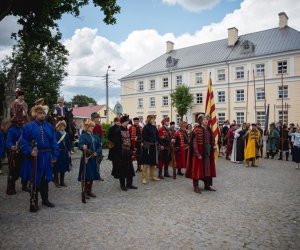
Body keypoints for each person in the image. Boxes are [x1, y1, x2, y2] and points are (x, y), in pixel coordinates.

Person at [20, 105, 59, 212]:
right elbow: (23, 143)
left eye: (43, 113)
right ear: (35, 114)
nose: (42, 115)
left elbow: (54, 142)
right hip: (35, 157)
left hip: (47, 156)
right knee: (35, 180)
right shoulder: (28, 126)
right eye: (40, 113)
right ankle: (34, 201)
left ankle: (45, 200)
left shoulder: (49, 126)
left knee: (45, 179)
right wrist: (30, 151)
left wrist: (55, 155)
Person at [186, 115, 217, 193]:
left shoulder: (209, 129)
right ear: (200, 121)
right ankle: (195, 186)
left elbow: (211, 140)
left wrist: (213, 145)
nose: (206, 121)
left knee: (207, 169)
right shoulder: (197, 130)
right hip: (199, 154)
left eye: (206, 120)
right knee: (197, 169)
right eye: (204, 120)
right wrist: (197, 153)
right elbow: (194, 143)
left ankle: (207, 185)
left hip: (207, 154)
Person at [112, 115, 137, 191]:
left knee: (130, 168)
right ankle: (122, 185)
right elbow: (116, 143)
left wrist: (132, 149)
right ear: (123, 122)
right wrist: (119, 154)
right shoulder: (118, 130)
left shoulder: (127, 130)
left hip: (128, 152)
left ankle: (129, 184)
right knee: (122, 169)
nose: (127, 123)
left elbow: (130, 140)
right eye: (126, 122)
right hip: (122, 152)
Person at [6, 112, 29, 194]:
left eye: (22, 120)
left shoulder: (25, 129)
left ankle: (24, 185)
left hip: (25, 152)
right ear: (16, 122)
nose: (21, 122)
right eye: (19, 120)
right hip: (16, 153)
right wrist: (12, 147)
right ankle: (11, 187)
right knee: (14, 171)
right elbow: (8, 142)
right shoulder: (11, 130)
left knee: (25, 169)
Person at [78, 119, 101, 203]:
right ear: (87, 127)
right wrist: (82, 147)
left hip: (93, 158)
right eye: (91, 126)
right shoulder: (83, 136)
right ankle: (84, 192)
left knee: (92, 175)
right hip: (86, 158)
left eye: (93, 126)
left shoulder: (95, 136)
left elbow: (99, 146)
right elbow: (80, 145)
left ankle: (89, 191)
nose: (92, 127)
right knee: (86, 175)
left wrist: (97, 152)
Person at [141, 115, 160, 184]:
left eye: (154, 119)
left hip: (153, 146)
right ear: (149, 119)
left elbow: (157, 136)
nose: (153, 120)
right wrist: (152, 139)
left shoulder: (154, 127)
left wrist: (158, 141)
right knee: (146, 162)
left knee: (153, 162)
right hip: (147, 146)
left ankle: (152, 176)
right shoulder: (145, 127)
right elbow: (144, 136)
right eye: (152, 119)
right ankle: (144, 178)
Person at [53, 120, 71, 188]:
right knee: (56, 168)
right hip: (58, 152)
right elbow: (54, 143)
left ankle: (62, 182)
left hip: (64, 152)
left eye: (63, 125)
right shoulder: (55, 134)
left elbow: (68, 144)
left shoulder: (66, 134)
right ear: (58, 126)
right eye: (61, 126)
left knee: (63, 167)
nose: (62, 127)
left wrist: (69, 152)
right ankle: (56, 182)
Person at [91, 112, 104, 181]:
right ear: (92, 118)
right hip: (92, 146)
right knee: (91, 161)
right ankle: (91, 175)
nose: (97, 120)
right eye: (96, 118)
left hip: (98, 146)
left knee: (98, 160)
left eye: (98, 118)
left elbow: (101, 135)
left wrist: (101, 142)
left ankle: (97, 175)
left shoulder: (99, 126)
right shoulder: (89, 125)